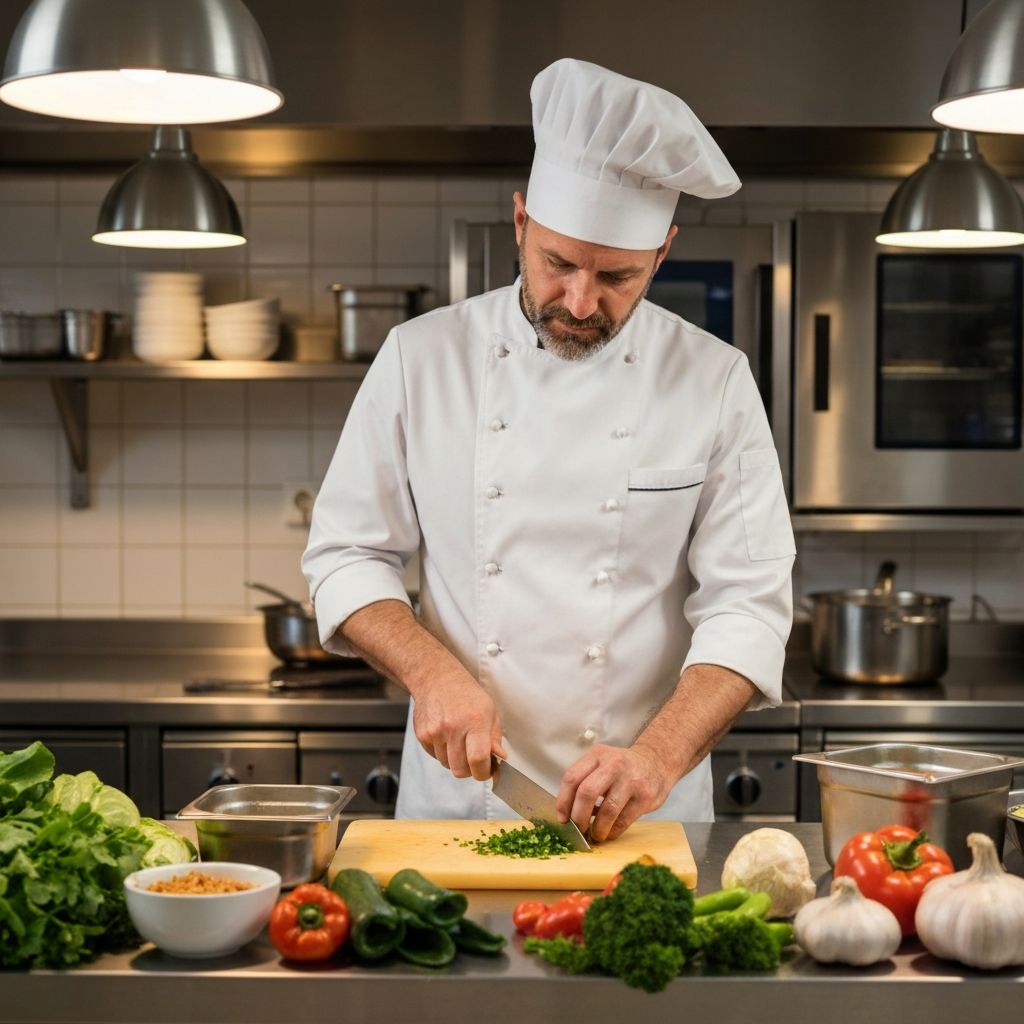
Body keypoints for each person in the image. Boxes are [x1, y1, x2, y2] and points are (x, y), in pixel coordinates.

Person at [303, 58, 795, 842]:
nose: (578, 302)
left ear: (663, 254)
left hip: (642, 814)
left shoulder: (715, 381)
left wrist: (657, 758)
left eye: (617, 278)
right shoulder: (420, 358)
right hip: (458, 808)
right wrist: (431, 675)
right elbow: (344, 554)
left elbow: (750, 606)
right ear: (522, 220)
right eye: (558, 263)